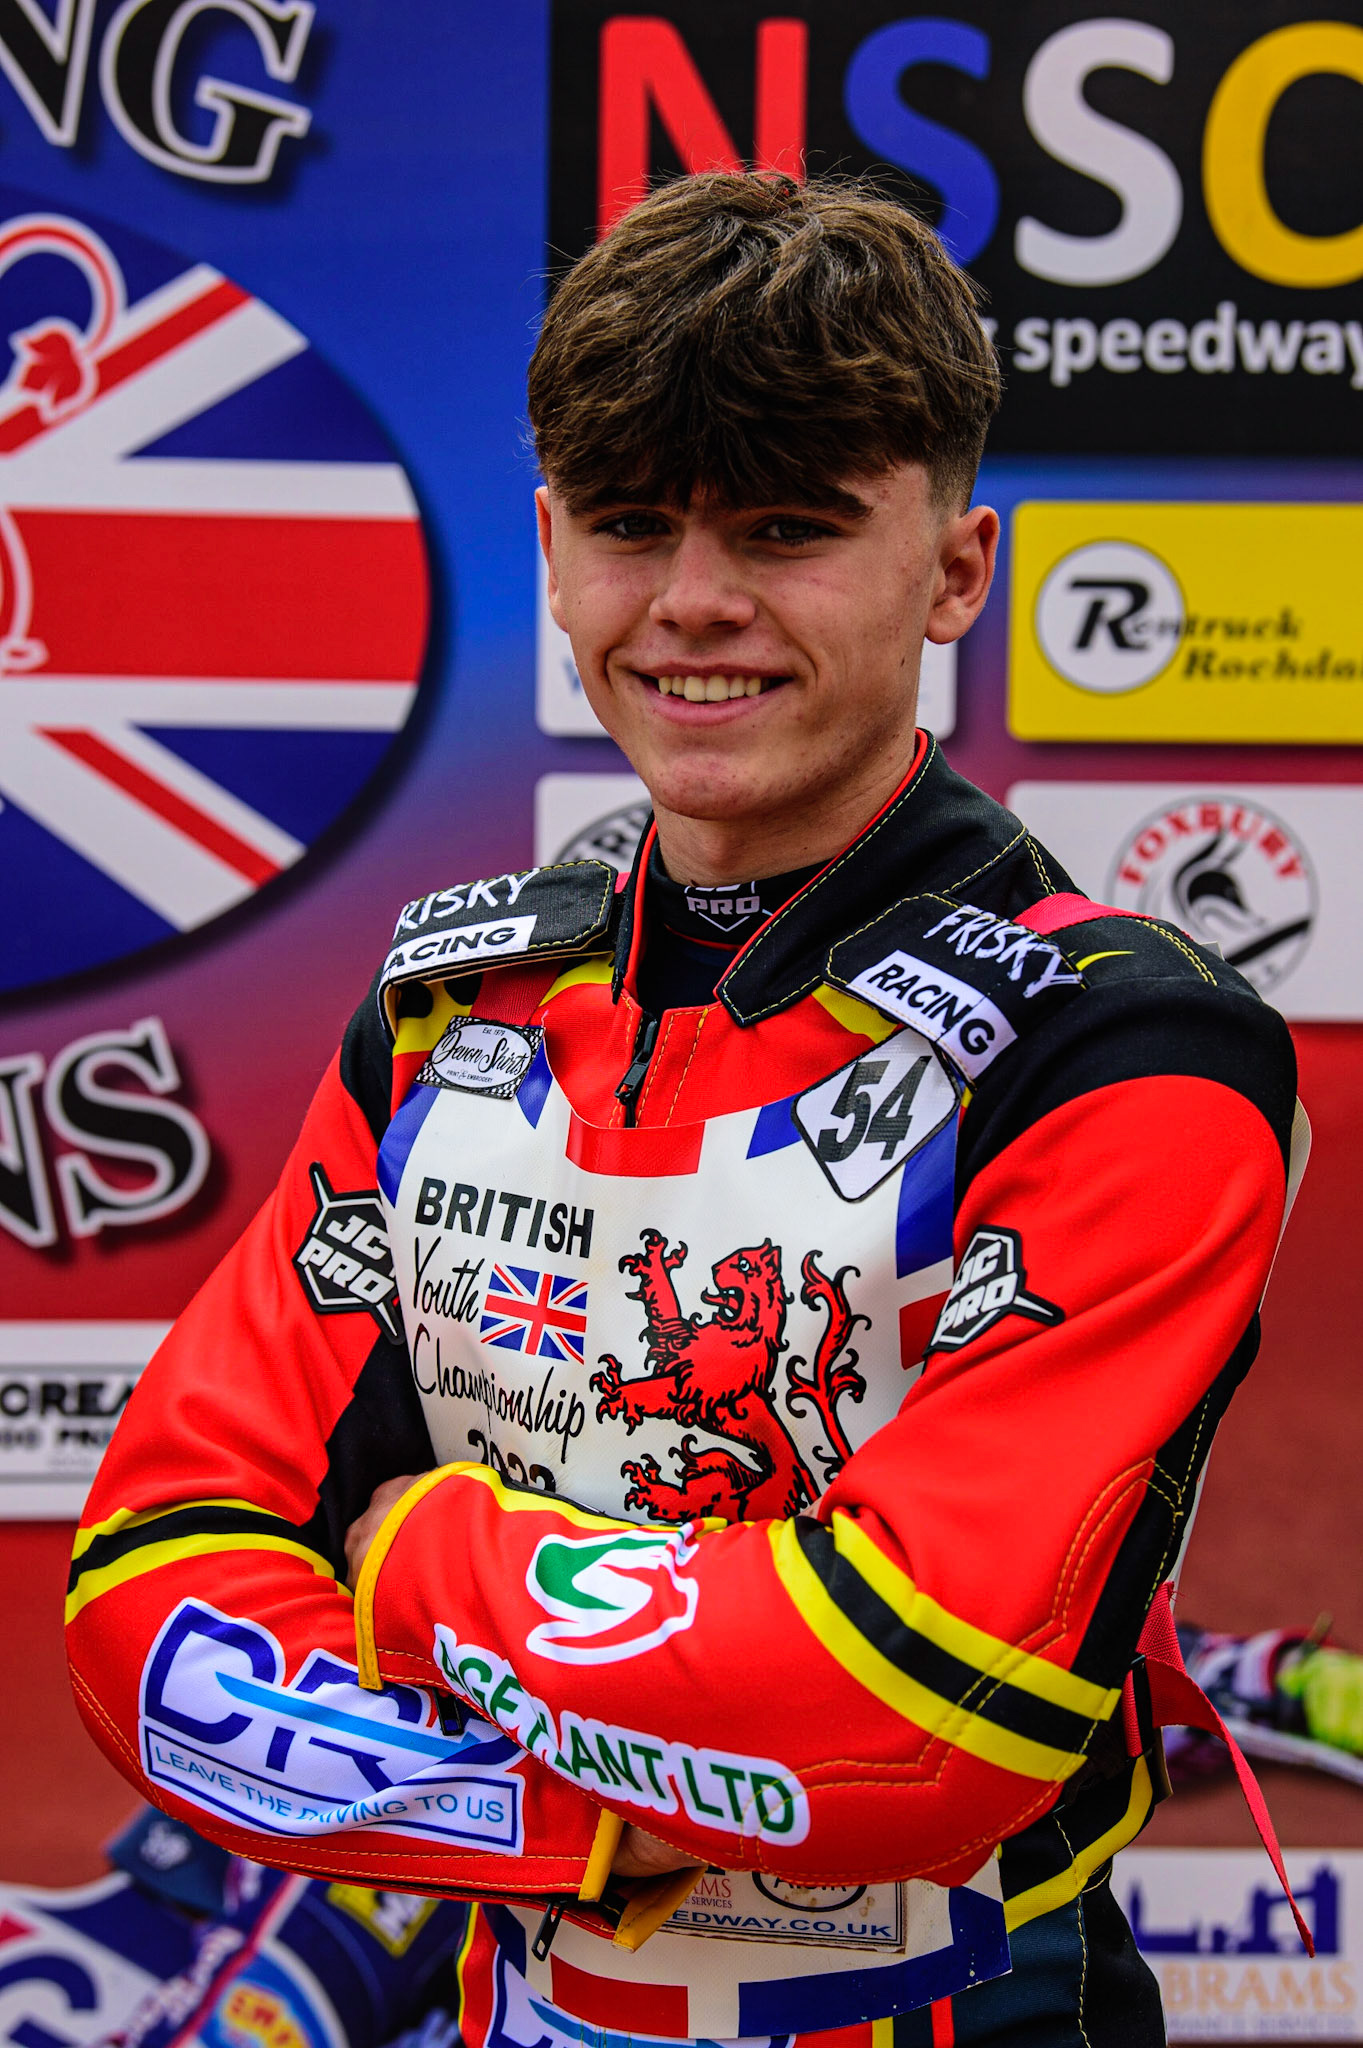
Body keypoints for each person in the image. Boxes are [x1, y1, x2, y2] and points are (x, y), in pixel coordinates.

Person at [68, 174, 1301, 2048]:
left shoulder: (1124, 1044)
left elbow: (918, 1708)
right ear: (552, 549)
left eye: (790, 527)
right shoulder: (452, 1011)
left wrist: (419, 1555)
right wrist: (566, 1821)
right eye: (634, 524)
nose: (696, 601)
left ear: (956, 570)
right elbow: (150, 1599)